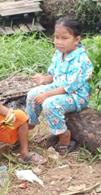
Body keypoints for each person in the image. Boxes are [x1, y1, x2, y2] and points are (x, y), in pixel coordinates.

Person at [26, 17, 93, 154]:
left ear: (77, 39)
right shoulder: (59, 54)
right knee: (32, 94)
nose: (59, 42)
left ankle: (64, 137)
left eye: (64, 38)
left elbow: (69, 87)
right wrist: (43, 79)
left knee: (49, 104)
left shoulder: (81, 60)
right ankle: (31, 123)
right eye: (56, 37)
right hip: (57, 87)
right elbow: (54, 76)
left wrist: (47, 95)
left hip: (75, 95)